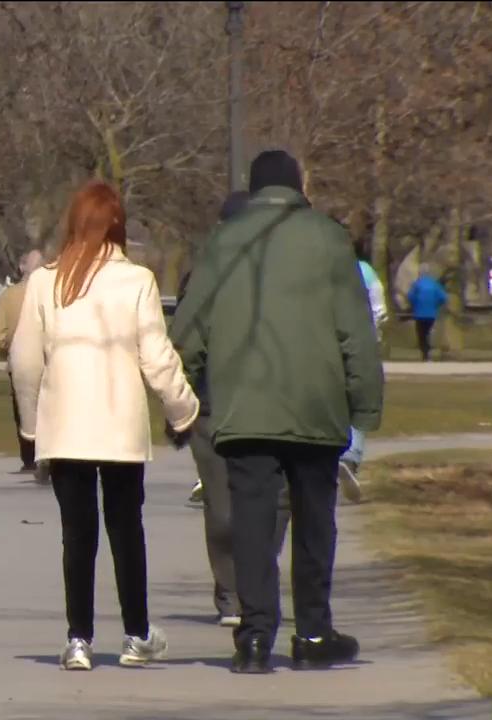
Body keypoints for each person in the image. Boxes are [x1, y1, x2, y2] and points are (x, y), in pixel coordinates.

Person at [170, 149, 384, 674]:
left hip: (244, 406)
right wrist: (365, 402)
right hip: (317, 406)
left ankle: (255, 636)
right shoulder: (330, 240)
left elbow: (189, 329)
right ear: (297, 186)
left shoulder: (224, 242)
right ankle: (312, 631)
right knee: (315, 520)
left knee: (252, 522)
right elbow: (355, 331)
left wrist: (183, 393)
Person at [10, 180, 199, 671]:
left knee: (78, 534)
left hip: (67, 426)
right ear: (119, 224)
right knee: (125, 529)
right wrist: (184, 410)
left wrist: (30, 431)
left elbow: (25, 362)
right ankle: (136, 634)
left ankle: (79, 638)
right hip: (119, 426)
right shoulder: (137, 281)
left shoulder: (46, 282)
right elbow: (157, 357)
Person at [178, 191, 293, 630]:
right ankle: (230, 592)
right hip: (213, 405)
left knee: (275, 499)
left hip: (271, 399)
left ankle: (256, 580)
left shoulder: (281, 276)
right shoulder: (203, 276)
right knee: (223, 505)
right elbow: (187, 338)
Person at [339, 243, 391, 503]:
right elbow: (380, 311)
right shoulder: (366, 271)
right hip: (364, 342)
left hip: (329, 342)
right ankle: (351, 456)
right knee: (362, 397)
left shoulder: (322, 270)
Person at [0, 249, 45, 477]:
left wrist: (8, 347)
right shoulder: (53, 295)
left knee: (23, 407)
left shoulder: (10, 296)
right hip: (49, 359)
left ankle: (29, 458)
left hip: (20, 359)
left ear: (22, 267)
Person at [407, 265, 448, 362]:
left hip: (419, 314)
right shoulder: (434, 284)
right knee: (427, 332)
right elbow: (443, 297)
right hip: (431, 314)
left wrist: (415, 304)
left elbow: (410, 296)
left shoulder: (417, 284)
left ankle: (424, 354)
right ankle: (428, 352)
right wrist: (436, 304)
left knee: (421, 334)